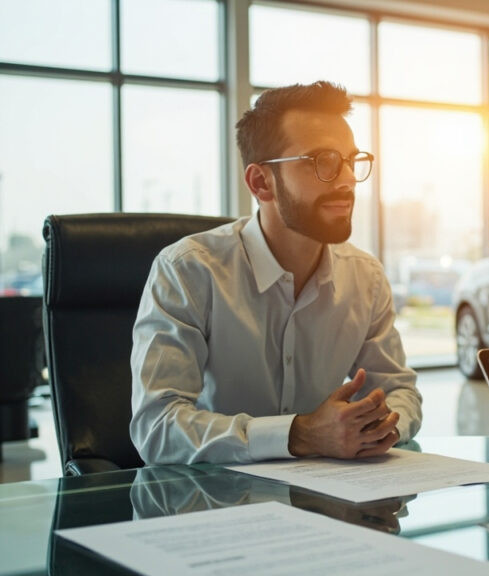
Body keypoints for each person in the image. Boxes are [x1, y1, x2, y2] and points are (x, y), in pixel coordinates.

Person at [130, 81, 421, 465]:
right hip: (214, 494)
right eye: (323, 161)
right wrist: (300, 434)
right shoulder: (188, 271)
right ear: (261, 183)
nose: (348, 179)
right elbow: (157, 426)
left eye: (351, 161)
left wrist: (378, 427)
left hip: (332, 493)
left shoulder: (365, 277)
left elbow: (400, 391)